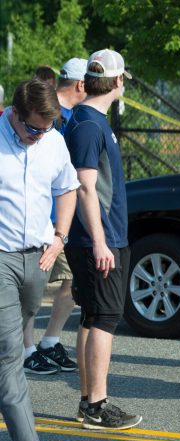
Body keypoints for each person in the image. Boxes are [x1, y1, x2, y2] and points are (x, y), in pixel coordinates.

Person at [0, 78, 80, 441]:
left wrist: (60, 236)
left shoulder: (52, 140)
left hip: (38, 259)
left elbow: (68, 188)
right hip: (0, 257)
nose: (37, 137)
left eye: (45, 129)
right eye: (31, 128)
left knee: (17, 330)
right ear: (14, 114)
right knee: (10, 350)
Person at [64, 49, 142, 430]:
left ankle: (87, 400)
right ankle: (96, 404)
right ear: (117, 81)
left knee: (94, 316)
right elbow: (84, 187)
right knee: (106, 318)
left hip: (103, 235)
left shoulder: (88, 118)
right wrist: (99, 241)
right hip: (99, 237)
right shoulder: (89, 124)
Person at [22, 57, 88, 375]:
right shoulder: (45, 112)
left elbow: (67, 181)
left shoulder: (74, 118)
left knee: (69, 281)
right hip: (34, 221)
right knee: (29, 289)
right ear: (80, 83)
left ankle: (48, 342)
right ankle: (26, 349)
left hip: (58, 221)